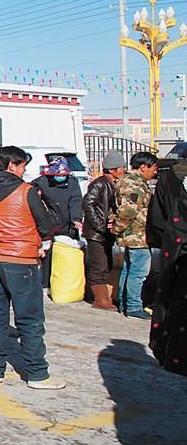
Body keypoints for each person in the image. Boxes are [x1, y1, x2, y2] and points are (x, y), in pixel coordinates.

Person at [0, 146, 64, 389]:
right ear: (11, 165)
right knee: (29, 320)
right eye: (22, 165)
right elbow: (45, 225)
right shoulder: (26, 191)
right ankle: (37, 374)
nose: (24, 170)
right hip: (21, 260)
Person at [145, 147, 187, 376]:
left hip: (173, 245)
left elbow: (158, 217)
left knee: (171, 303)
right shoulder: (172, 177)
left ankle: (170, 353)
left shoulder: (167, 176)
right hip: (178, 247)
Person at [111, 151, 158, 319]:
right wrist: (117, 228)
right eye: (153, 168)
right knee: (138, 272)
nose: (155, 172)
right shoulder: (133, 184)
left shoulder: (131, 181)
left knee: (129, 269)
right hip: (137, 235)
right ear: (143, 166)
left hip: (134, 234)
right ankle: (133, 306)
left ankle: (125, 303)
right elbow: (128, 211)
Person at [30, 156, 84, 289]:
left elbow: (76, 200)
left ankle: (64, 282)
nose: (62, 177)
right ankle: (46, 282)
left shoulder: (72, 182)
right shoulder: (41, 183)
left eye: (64, 175)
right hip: (49, 223)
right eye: (59, 175)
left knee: (66, 252)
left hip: (67, 223)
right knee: (48, 254)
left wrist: (76, 218)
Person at [83, 151, 126, 310]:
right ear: (112, 169)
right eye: (121, 168)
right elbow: (88, 204)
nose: (124, 170)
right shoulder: (99, 184)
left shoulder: (114, 184)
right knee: (99, 265)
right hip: (96, 233)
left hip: (106, 233)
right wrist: (100, 225)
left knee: (107, 264)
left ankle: (103, 295)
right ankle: (99, 299)